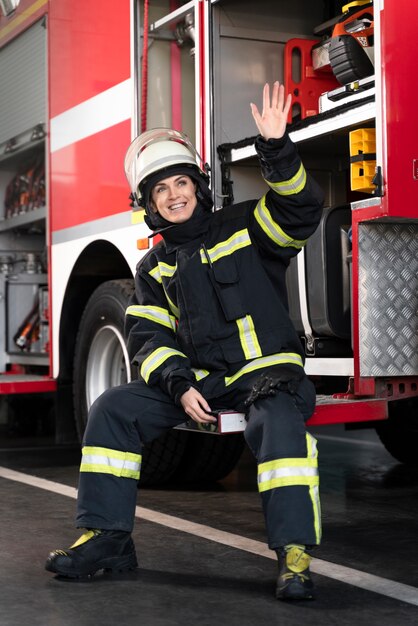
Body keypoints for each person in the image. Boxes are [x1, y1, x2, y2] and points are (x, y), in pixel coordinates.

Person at [45, 81, 324, 601]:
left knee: (279, 427)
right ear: (149, 203)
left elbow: (301, 210)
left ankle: (294, 555)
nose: (174, 196)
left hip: (266, 378)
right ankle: (107, 537)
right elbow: (148, 339)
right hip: (201, 384)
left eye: (181, 183)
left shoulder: (245, 227)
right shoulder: (153, 268)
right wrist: (176, 386)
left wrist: (277, 148)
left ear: (198, 186)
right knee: (112, 408)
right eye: (160, 190)